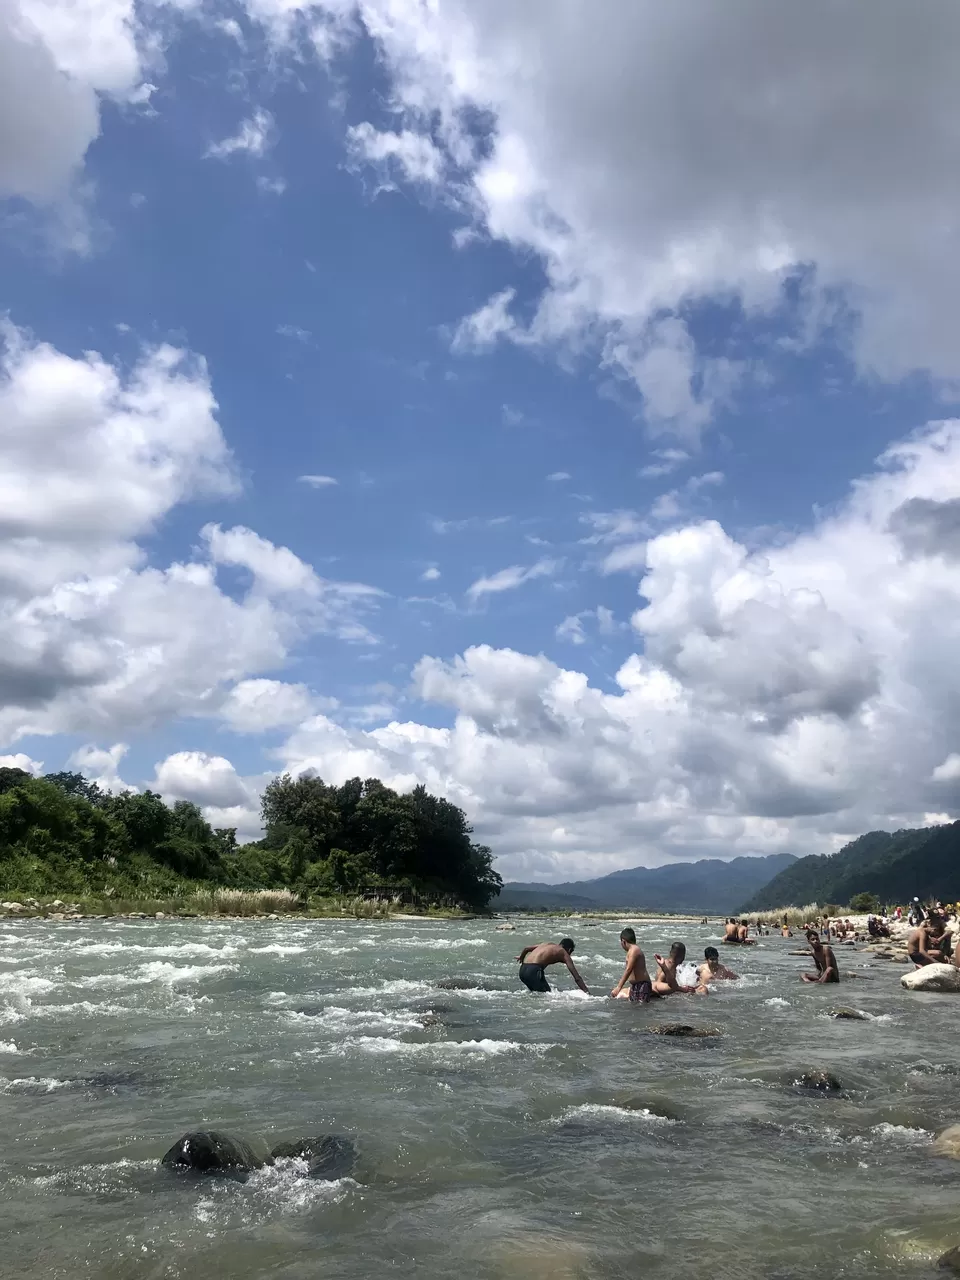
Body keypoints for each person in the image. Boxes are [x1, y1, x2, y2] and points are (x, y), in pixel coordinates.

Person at [515, 938, 589, 994]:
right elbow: (577, 978)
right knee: (546, 996)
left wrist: (521, 958)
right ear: (569, 950)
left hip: (522, 970)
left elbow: (526, 949)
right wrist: (587, 993)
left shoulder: (547, 944)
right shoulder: (563, 953)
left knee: (535, 994)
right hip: (533, 971)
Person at [610, 927, 657, 1003]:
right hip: (636, 985)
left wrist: (619, 987)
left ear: (623, 941)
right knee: (634, 1008)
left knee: (641, 1008)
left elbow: (629, 969)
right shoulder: (632, 950)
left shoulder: (634, 950)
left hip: (642, 985)